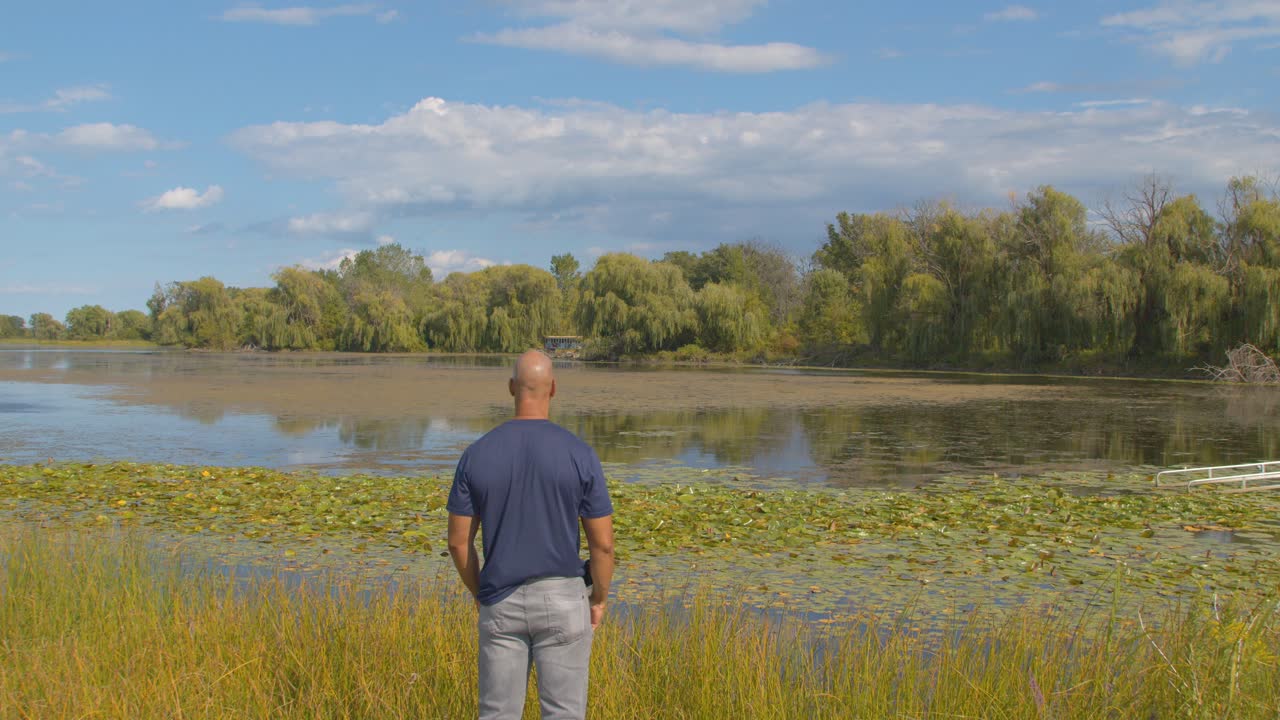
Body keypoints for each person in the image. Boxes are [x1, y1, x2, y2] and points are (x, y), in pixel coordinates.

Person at [447, 349, 615, 720]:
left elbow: (459, 543)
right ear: (553, 388)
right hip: (563, 600)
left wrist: (481, 592)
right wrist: (598, 599)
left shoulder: (476, 455)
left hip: (500, 601)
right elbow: (602, 545)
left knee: (496, 715)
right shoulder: (580, 454)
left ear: (511, 388)